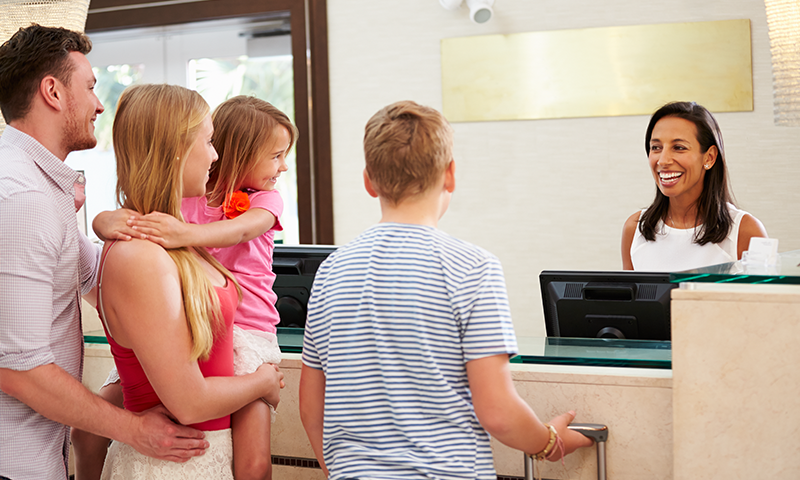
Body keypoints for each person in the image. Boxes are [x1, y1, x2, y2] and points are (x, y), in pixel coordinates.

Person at [298, 100, 593, 479]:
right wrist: (551, 442)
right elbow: (499, 412)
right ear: (450, 174)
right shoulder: (473, 268)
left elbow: (310, 406)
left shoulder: (331, 271)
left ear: (369, 180)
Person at [0, 24, 209, 480]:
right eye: (91, 87)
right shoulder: (20, 196)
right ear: (52, 92)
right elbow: (18, 369)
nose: (99, 104)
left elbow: (94, 275)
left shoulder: (39, 187)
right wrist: (134, 429)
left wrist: (111, 224)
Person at [83, 96, 296, 480]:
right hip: (199, 335)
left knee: (253, 461)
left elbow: (243, 229)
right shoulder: (185, 209)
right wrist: (102, 221)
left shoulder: (257, 203)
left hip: (248, 330)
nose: (282, 166)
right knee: (97, 415)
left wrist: (186, 234)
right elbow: (130, 221)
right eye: (275, 156)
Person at [621, 101, 768, 271]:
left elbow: (765, 296)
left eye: (679, 147)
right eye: (656, 147)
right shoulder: (634, 228)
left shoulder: (746, 230)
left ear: (709, 158)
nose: (663, 160)